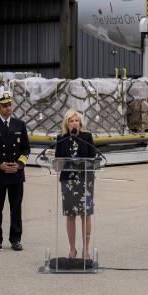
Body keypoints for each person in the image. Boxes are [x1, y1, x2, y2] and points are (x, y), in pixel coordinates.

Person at [0, 89, 31, 252]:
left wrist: (19, 164)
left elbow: (26, 149)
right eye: (4, 106)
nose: (8, 108)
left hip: (16, 174)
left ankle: (16, 239)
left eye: (10, 105)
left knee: (16, 208)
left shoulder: (20, 125)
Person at [54, 110, 96, 260]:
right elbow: (57, 162)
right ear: (67, 123)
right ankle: (72, 249)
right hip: (68, 181)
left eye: (77, 120)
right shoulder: (61, 139)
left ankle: (86, 249)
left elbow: (93, 157)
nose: (74, 123)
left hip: (85, 181)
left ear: (80, 123)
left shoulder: (87, 137)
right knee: (70, 215)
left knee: (85, 215)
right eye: (71, 121)